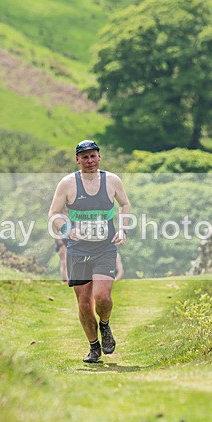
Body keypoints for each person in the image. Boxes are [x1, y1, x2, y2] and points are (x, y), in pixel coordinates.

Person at [48, 140, 130, 363]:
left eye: (93, 156)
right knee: (84, 302)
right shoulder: (67, 184)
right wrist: (67, 229)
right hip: (78, 249)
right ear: (77, 160)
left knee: (102, 296)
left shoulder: (112, 180)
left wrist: (122, 229)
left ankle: (105, 325)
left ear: (99, 156)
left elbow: (124, 204)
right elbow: (54, 213)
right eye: (84, 157)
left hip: (105, 247)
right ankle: (94, 347)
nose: (90, 161)